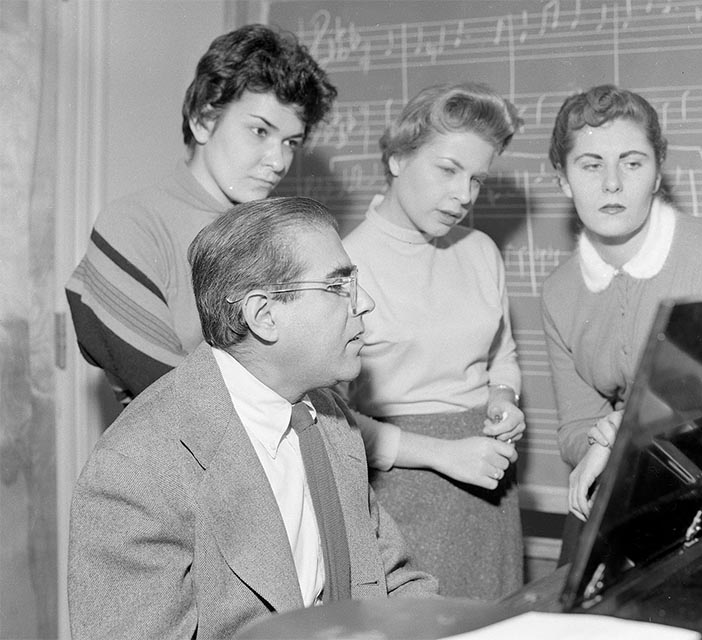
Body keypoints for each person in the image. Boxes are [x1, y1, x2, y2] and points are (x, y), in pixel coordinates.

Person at [68, 197, 437, 640]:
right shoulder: (134, 470)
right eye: (339, 286)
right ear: (263, 316)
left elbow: (394, 582)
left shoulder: (329, 416)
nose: (366, 303)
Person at [65, 24, 337, 404]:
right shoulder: (132, 226)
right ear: (203, 120)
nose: (278, 161)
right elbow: (175, 398)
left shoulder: (279, 233)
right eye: (260, 131)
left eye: (290, 142)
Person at [342, 83, 525, 600]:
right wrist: (444, 455)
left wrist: (503, 400)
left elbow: (500, 358)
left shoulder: (481, 250)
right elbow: (327, 419)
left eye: (477, 179)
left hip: (488, 475)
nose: (463, 195)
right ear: (399, 157)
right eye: (448, 170)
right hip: (399, 486)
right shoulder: (343, 266)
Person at [540, 85, 702, 538]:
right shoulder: (559, 291)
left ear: (656, 174)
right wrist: (601, 443)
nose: (612, 184)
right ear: (563, 179)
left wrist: (612, 436)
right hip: (624, 482)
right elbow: (574, 426)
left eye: (632, 163)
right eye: (591, 165)